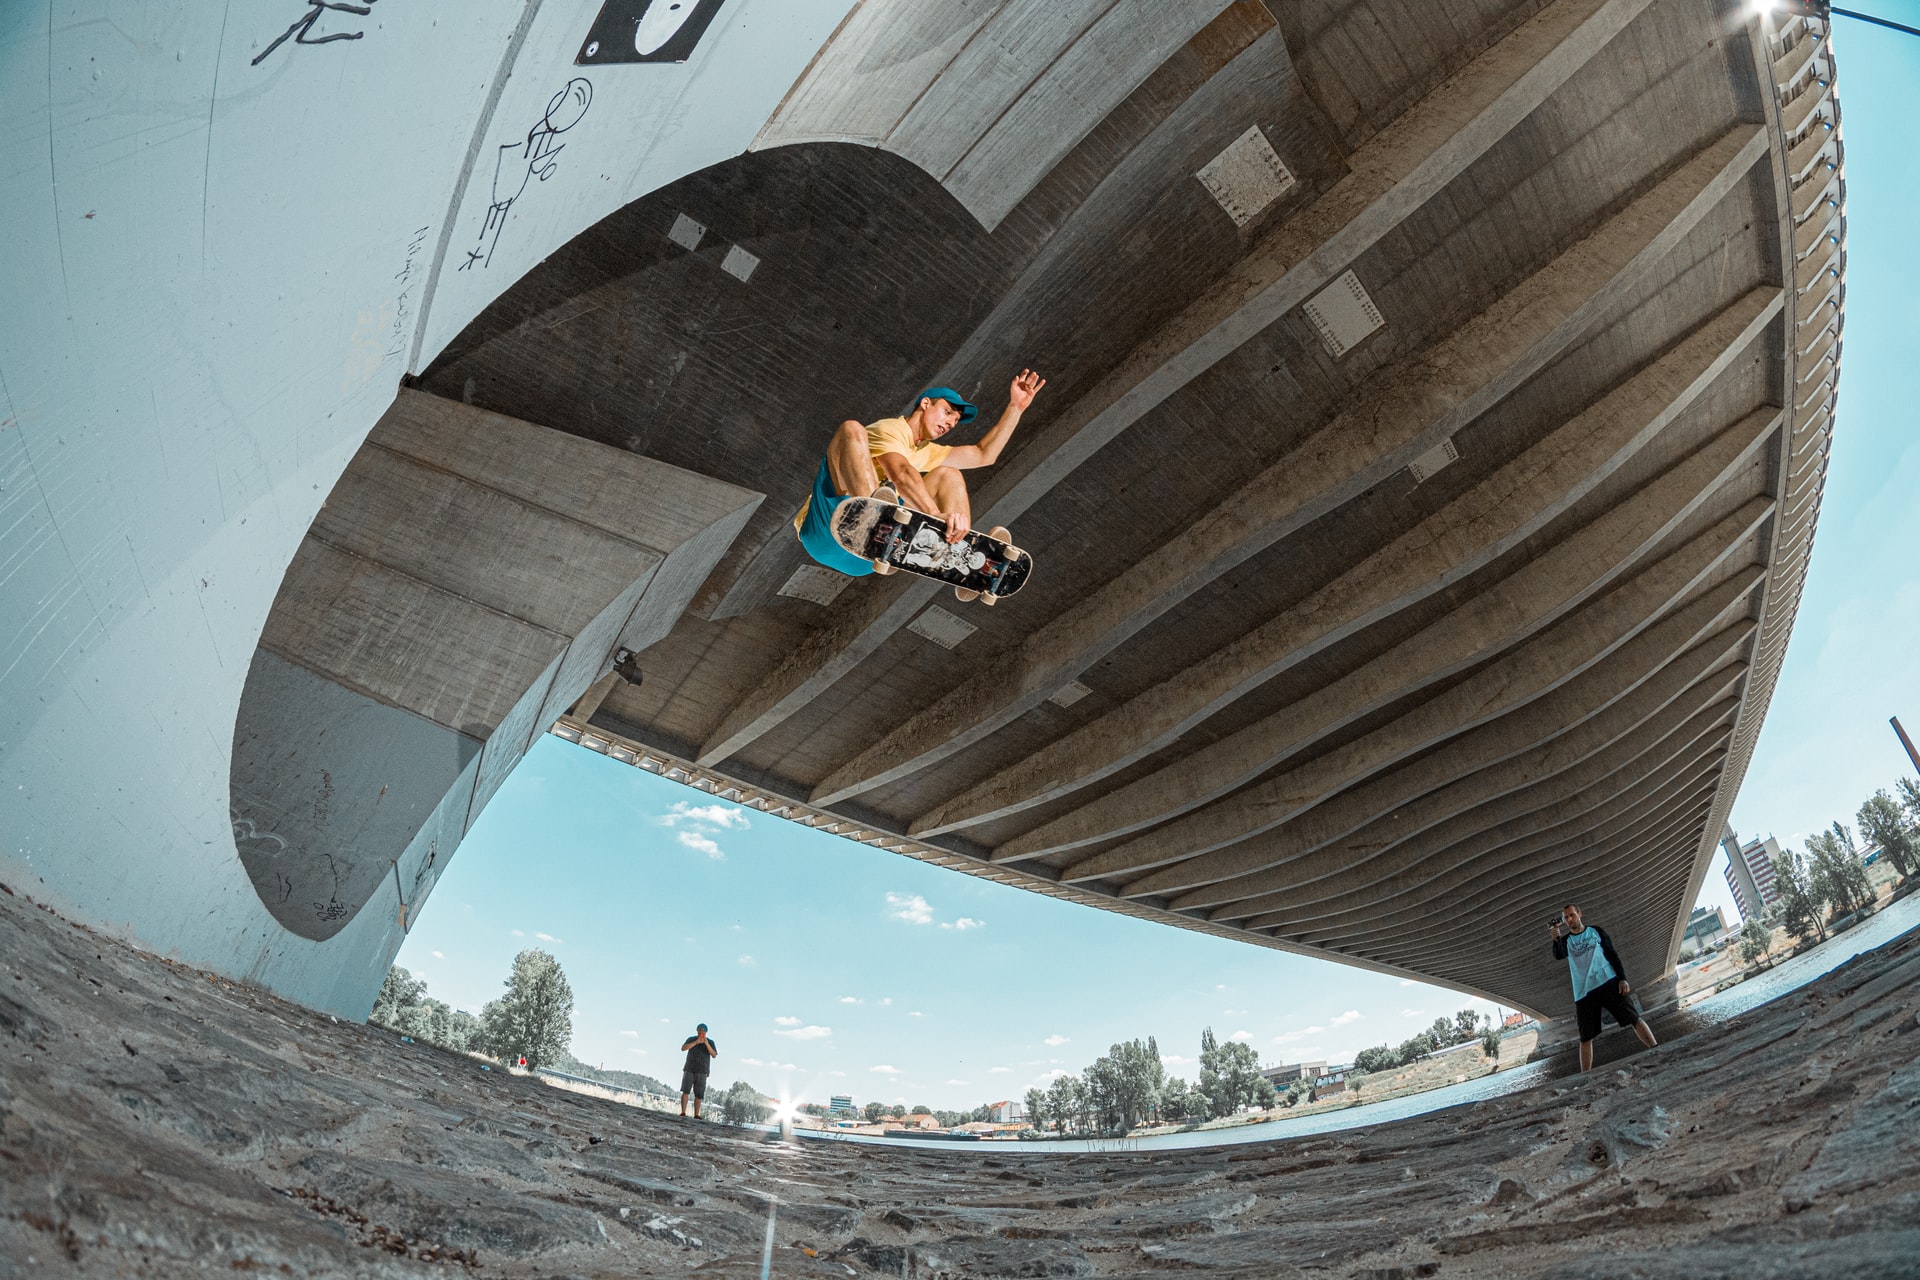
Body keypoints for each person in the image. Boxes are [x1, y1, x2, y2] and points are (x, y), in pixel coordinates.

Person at [793, 371, 1046, 597]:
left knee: (950, 474)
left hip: (863, 563)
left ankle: (961, 553)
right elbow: (900, 473)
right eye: (947, 412)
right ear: (925, 404)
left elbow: (983, 454)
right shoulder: (891, 430)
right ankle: (874, 517)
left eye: (955, 421)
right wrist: (935, 514)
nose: (950, 423)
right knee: (851, 430)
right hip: (826, 529)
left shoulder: (927, 451)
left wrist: (1016, 408)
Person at [1550, 904, 1658, 1072]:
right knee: (1585, 1037)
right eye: (1566, 918)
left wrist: (1623, 978)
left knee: (1634, 1018)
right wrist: (1555, 938)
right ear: (1564, 921)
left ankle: (1657, 1049)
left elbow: (1612, 954)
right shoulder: (1566, 941)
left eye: (1572, 915)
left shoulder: (1596, 931)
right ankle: (1586, 1075)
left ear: (1580, 913)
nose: (1570, 919)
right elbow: (1559, 955)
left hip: (1608, 982)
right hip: (1584, 992)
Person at [679, 1023, 718, 1118]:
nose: (702, 1032)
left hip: (702, 1071)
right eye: (700, 1030)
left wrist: (706, 1044)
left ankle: (696, 1114)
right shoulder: (691, 1039)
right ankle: (683, 1112)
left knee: (699, 1094)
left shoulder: (710, 1042)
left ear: (706, 1032)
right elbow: (683, 1048)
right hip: (689, 1068)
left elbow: (714, 1055)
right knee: (685, 1091)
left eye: (704, 1031)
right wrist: (696, 1042)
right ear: (697, 1031)